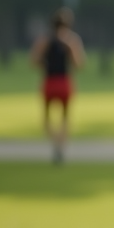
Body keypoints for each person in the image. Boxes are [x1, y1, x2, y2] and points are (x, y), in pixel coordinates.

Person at [29, 8, 85, 164]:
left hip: (50, 82)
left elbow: (34, 60)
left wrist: (45, 64)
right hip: (64, 82)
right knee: (65, 118)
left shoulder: (45, 40)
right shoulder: (72, 40)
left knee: (47, 118)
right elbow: (79, 64)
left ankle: (55, 144)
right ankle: (61, 145)